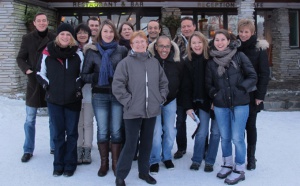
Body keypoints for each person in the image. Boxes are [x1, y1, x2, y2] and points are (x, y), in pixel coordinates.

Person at [112, 30, 169, 186]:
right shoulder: (125, 63)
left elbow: (164, 83)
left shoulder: (154, 62)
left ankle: (144, 172)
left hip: (151, 110)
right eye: (136, 42)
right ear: (131, 45)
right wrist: (128, 101)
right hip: (132, 111)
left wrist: (160, 98)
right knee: (130, 143)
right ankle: (120, 175)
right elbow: (117, 86)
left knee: (147, 142)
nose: (139, 44)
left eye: (142, 41)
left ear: (146, 44)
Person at [205, 29, 257, 184]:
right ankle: (228, 163)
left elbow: (252, 76)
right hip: (221, 105)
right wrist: (215, 94)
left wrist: (241, 89)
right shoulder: (211, 62)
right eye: (217, 40)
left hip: (240, 104)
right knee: (225, 137)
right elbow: (208, 85)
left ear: (228, 41)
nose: (219, 43)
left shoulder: (239, 56)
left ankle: (239, 168)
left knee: (237, 137)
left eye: (222, 39)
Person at [81, 19, 128, 177]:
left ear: (115, 33)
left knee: (116, 130)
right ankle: (104, 163)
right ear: (100, 33)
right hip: (99, 95)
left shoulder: (121, 50)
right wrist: (98, 77)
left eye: (110, 31)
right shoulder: (92, 51)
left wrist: (117, 79)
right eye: (105, 31)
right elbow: (84, 75)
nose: (108, 34)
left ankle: (116, 163)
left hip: (117, 95)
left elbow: (128, 73)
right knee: (103, 131)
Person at [36, 23, 84, 177]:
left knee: (71, 133)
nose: (65, 37)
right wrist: (47, 85)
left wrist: (77, 86)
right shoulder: (47, 52)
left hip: (73, 100)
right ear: (57, 36)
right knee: (57, 133)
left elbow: (83, 74)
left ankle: (70, 164)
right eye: (62, 34)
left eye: (68, 35)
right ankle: (58, 164)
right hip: (54, 99)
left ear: (72, 37)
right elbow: (39, 73)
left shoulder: (78, 53)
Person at [16, 12, 56, 162]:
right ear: (34, 23)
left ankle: (54, 146)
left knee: (53, 118)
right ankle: (28, 149)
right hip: (33, 83)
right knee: (30, 119)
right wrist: (27, 70)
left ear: (47, 22)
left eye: (44, 20)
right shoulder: (27, 38)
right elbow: (20, 57)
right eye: (38, 21)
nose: (41, 23)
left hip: (49, 82)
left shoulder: (53, 37)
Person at [181, 31, 220, 172]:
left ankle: (210, 161)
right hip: (202, 103)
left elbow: (219, 82)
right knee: (202, 132)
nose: (197, 45)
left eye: (199, 42)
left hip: (217, 102)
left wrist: (217, 99)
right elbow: (186, 86)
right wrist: (188, 107)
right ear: (190, 46)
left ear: (204, 43)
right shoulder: (187, 62)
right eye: (193, 43)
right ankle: (197, 159)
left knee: (216, 132)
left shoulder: (213, 59)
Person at [237, 19, 270, 171]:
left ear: (252, 33)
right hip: (237, 94)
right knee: (238, 127)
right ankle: (241, 155)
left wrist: (260, 95)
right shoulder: (235, 47)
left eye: (246, 32)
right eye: (241, 31)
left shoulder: (259, 49)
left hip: (252, 94)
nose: (243, 35)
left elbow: (264, 74)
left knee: (250, 126)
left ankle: (251, 157)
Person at [148, 35, 183, 174]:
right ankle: (154, 159)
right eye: (161, 46)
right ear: (156, 47)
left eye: (167, 46)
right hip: (154, 102)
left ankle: (166, 157)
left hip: (170, 101)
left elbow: (182, 82)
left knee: (169, 130)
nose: (164, 49)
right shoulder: (149, 61)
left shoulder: (177, 62)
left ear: (171, 47)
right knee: (156, 133)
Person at [173, 16, 196, 159]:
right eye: (184, 27)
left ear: (194, 27)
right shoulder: (175, 44)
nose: (186, 29)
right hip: (181, 90)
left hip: (199, 89)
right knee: (180, 121)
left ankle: (203, 148)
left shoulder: (202, 42)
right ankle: (181, 147)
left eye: (189, 26)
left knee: (202, 122)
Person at [74, 23, 94, 164]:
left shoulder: (93, 49)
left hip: (89, 91)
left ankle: (87, 149)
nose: (82, 35)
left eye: (85, 32)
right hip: (73, 92)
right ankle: (78, 148)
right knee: (78, 123)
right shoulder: (71, 49)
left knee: (87, 122)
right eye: (79, 32)